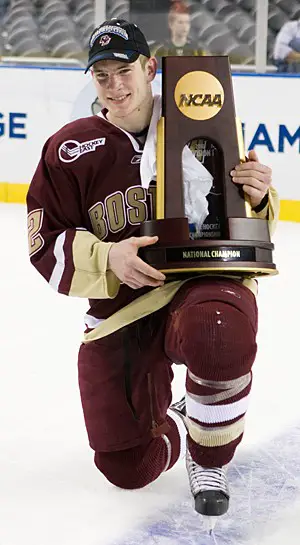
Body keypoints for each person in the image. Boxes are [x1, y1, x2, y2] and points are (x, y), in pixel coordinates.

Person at [26, 18, 279, 528]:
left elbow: (243, 225)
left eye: (126, 71)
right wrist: (108, 257)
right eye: (102, 76)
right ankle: (182, 419)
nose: (116, 86)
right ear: (91, 80)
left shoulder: (204, 121)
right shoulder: (68, 148)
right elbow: (43, 243)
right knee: (127, 466)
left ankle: (208, 462)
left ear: (149, 68)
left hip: (201, 285)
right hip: (123, 308)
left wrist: (258, 195)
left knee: (217, 332)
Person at [153, 1, 205, 69]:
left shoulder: (198, 50)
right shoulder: (161, 51)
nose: (185, 26)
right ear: (171, 24)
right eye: (180, 22)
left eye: (187, 22)